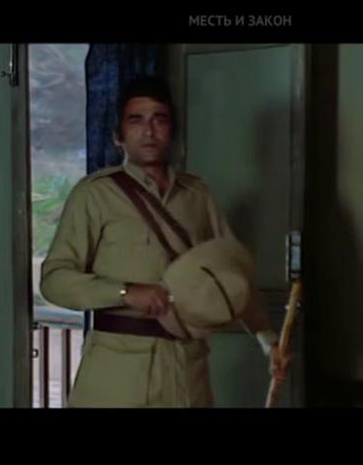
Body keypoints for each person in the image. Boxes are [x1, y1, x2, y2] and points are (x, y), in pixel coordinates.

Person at [39, 75, 292, 407]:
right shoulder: (95, 195)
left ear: (172, 131)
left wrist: (268, 340)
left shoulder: (197, 196)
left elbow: (232, 276)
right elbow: (55, 281)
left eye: (159, 119)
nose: (149, 131)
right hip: (116, 374)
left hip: (186, 372)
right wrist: (125, 293)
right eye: (136, 120)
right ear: (118, 135)